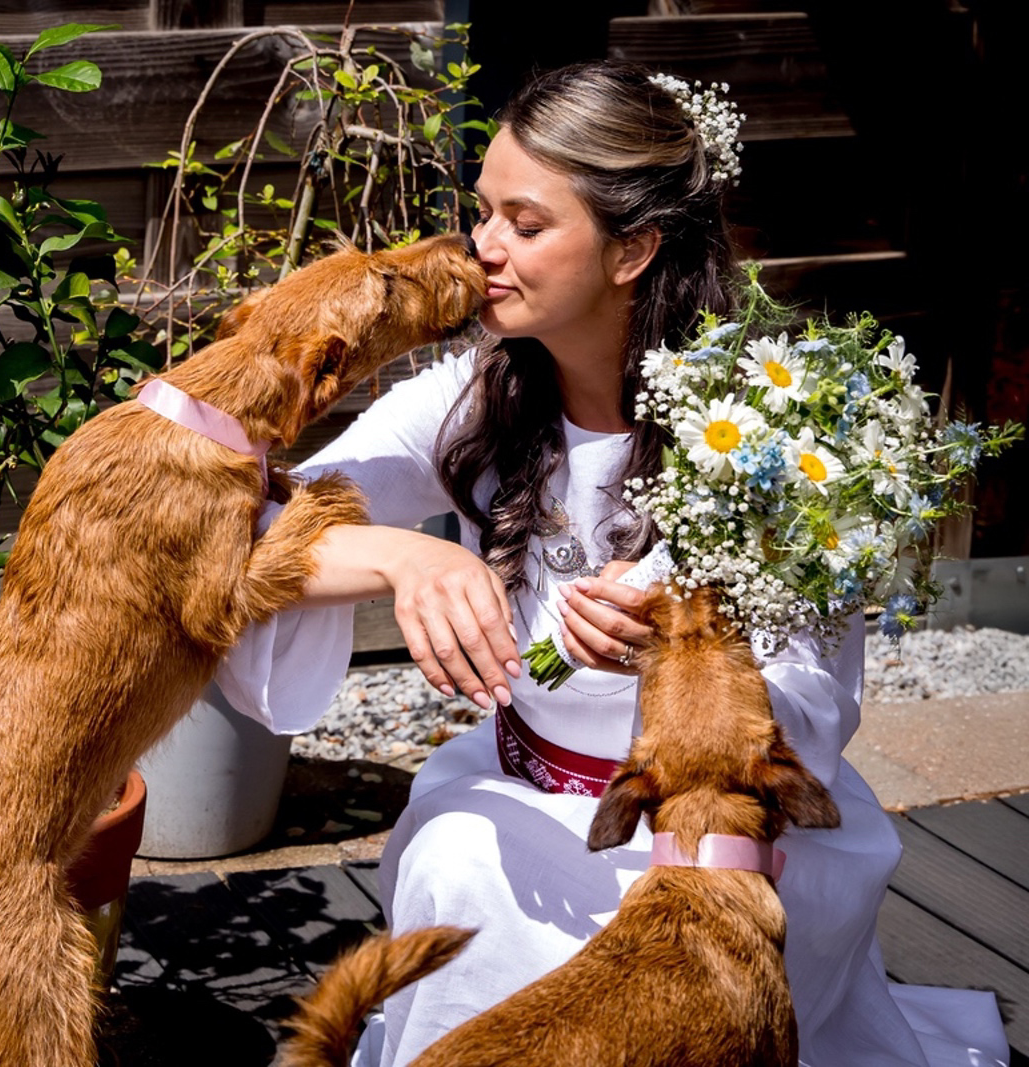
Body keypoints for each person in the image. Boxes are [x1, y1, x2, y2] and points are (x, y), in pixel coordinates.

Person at [216, 62, 1011, 1067]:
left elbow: (814, 695)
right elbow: (236, 536)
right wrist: (398, 555)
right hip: (531, 809)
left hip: (726, 843)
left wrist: (681, 652)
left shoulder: (770, 425)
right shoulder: (473, 397)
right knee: (460, 866)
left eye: (524, 223)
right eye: (482, 213)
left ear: (632, 249)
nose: (482, 247)